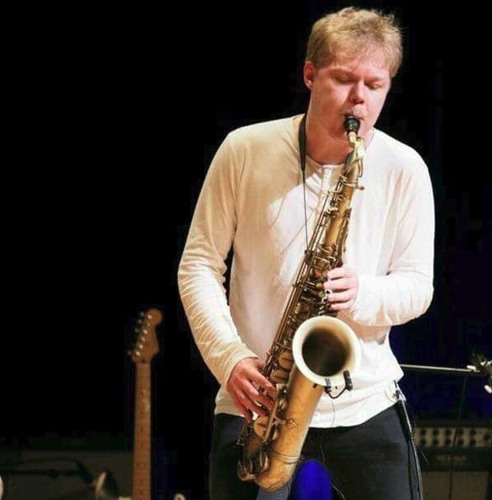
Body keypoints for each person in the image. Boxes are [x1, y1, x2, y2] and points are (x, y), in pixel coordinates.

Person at [178, 6, 434, 500]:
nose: (359, 98)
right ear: (310, 74)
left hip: (365, 398)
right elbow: (198, 266)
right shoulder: (244, 149)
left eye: (374, 85)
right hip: (258, 398)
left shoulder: (404, 167)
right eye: (344, 79)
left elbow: (418, 286)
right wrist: (229, 358)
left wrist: (363, 293)